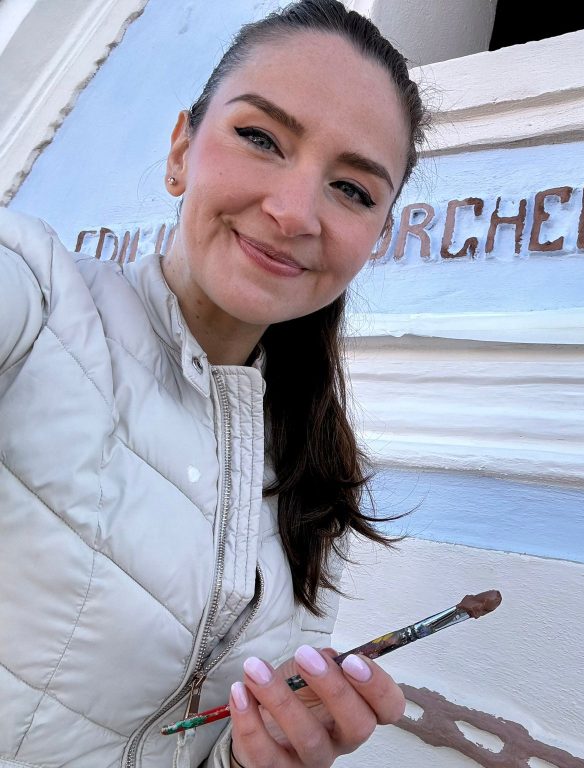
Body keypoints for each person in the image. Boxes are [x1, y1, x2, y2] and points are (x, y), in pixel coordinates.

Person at [0, 1, 428, 766]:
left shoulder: (317, 480)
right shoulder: (37, 298)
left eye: (353, 190)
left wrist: (251, 757)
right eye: (260, 138)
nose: (293, 213)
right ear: (180, 152)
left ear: (376, 238)